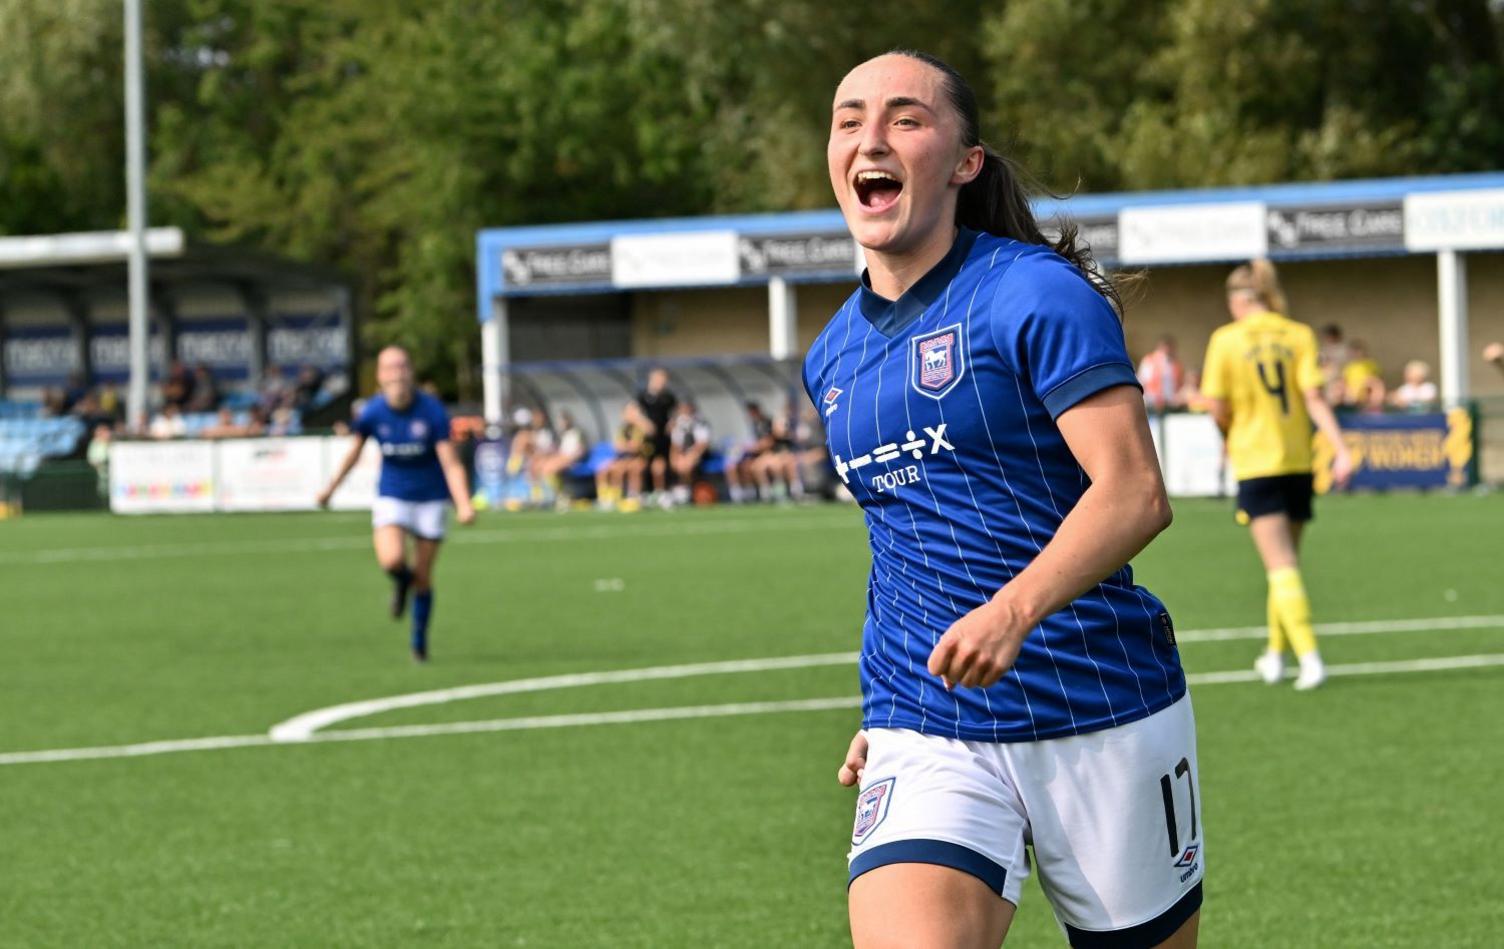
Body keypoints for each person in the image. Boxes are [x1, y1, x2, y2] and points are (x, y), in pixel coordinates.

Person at [813, 51, 1200, 948]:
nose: (872, 138)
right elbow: (901, 538)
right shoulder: (831, 354)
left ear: (963, 161)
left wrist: (1012, 612)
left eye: (906, 119)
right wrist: (884, 709)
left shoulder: (1035, 293)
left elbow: (1135, 492)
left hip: (1099, 702)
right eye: (849, 120)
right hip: (929, 721)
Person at [1200, 259, 1354, 693]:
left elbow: (1215, 404)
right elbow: (1315, 399)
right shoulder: (1298, 333)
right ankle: (1275, 654)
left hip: (1257, 462)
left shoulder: (1226, 339)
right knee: (1283, 566)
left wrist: (1229, 432)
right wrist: (1340, 449)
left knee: (1281, 566)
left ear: (1238, 300)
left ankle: (1310, 659)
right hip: (1297, 461)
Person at [317, 346, 474, 661]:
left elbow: (450, 462)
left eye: (402, 366)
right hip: (393, 495)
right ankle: (401, 585)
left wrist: (463, 503)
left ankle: (419, 640)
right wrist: (330, 489)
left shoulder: (431, 411)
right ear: (380, 375)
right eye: (389, 368)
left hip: (430, 499)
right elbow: (354, 454)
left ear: (411, 371)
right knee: (391, 560)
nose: (397, 373)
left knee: (424, 576)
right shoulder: (373, 412)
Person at [636, 368, 678, 502]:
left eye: (664, 380)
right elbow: (632, 412)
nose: (662, 383)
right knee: (643, 465)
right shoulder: (642, 397)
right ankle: (642, 493)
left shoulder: (669, 397)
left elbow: (676, 413)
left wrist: (672, 423)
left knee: (662, 465)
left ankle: (663, 492)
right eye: (659, 379)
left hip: (664, 438)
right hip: (648, 439)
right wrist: (644, 423)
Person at [667, 401, 712, 505]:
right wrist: (674, 458)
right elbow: (676, 444)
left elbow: (702, 444)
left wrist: (690, 456)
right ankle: (681, 491)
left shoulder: (700, 422)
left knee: (686, 465)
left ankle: (688, 492)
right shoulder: (678, 424)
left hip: (700, 455)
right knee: (678, 464)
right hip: (683, 455)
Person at [1137, 335, 1185, 413]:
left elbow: (1179, 385)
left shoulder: (1175, 364)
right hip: (1151, 405)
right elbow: (1142, 382)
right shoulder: (1149, 361)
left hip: (1170, 404)